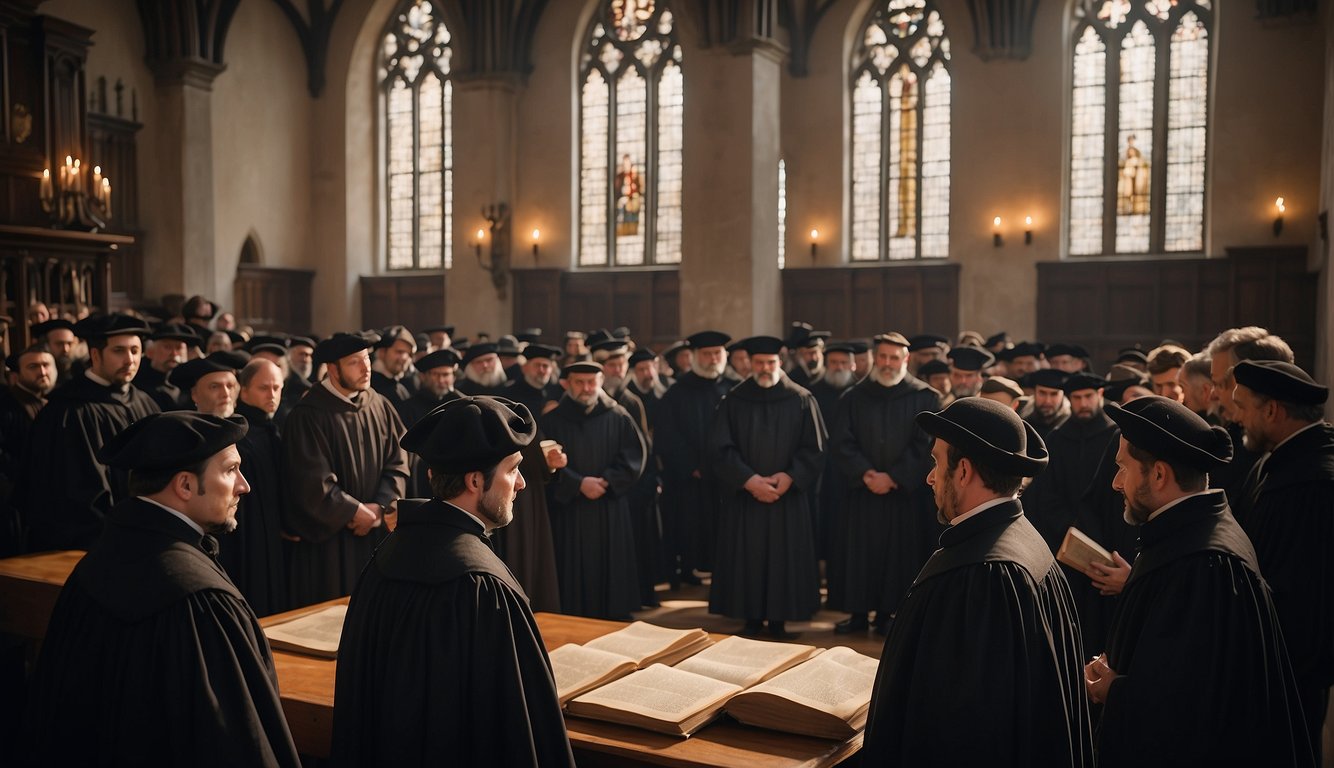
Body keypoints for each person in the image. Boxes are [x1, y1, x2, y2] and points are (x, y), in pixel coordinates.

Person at [27, 412, 301, 766]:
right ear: (185, 485)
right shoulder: (199, 601)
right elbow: (234, 742)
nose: (243, 485)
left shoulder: (94, 566)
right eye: (231, 470)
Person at [332, 397, 575, 767]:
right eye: (513, 470)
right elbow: (517, 728)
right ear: (475, 480)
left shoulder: (387, 554)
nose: (522, 484)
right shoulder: (482, 586)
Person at [862, 398, 1093, 766]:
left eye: (937, 462)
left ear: (964, 471)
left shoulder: (983, 577)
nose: (930, 476)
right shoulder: (1022, 538)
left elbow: (961, 730)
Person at [1087, 396, 1313, 767]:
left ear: (1158, 474)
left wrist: (1115, 690)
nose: (1115, 483)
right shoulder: (1186, 534)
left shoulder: (1204, 564)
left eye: (1123, 468)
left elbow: (1191, 710)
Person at [1229, 360, 1334, 757]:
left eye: (1242, 407)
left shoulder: (1312, 483)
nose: (1235, 418)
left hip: (1289, 671)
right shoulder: (1278, 461)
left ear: (1271, 410)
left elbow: (1302, 596)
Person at [709, 336, 826, 639]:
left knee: (784, 557)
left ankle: (779, 620)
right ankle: (749, 618)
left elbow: (814, 448)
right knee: (747, 556)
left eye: (770, 363)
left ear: (780, 362)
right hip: (746, 497)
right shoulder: (733, 400)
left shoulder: (801, 398)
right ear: (749, 363)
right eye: (759, 363)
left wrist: (790, 477)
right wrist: (748, 480)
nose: (764, 369)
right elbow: (721, 448)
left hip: (786, 497)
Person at [283, 332, 409, 605]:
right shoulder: (308, 415)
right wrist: (354, 511)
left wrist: (381, 505)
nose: (366, 368)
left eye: (367, 359)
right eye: (354, 362)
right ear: (332, 369)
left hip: (375, 534)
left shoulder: (380, 405)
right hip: (330, 543)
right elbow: (311, 480)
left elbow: (398, 461)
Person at [826, 332, 938, 634]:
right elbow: (841, 442)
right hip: (862, 493)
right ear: (876, 358)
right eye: (883, 357)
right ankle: (858, 614)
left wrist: (895, 477)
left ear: (905, 360)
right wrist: (866, 474)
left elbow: (925, 446)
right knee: (860, 554)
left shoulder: (926, 397)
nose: (888, 363)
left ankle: (890, 616)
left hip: (903, 497)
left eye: (894, 357)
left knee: (899, 557)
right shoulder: (852, 397)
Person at [24, 314, 160, 551]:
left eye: (135, 350)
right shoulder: (68, 411)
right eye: (119, 350)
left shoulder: (146, 402)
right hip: (94, 544)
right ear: (95, 355)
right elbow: (75, 494)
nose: (130, 359)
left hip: (147, 535)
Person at [540, 360, 646, 619]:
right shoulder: (551, 420)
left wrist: (606, 482)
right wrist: (578, 483)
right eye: (580, 382)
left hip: (609, 504)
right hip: (570, 508)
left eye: (592, 382)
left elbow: (634, 457)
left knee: (613, 568)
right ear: (567, 384)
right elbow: (543, 463)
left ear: (600, 382)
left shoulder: (619, 416)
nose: (586, 388)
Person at [655, 330, 733, 586]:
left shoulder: (734, 389)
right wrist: (692, 466)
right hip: (689, 478)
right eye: (707, 354)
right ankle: (688, 569)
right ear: (696, 356)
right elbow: (668, 435)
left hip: (726, 476)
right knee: (689, 526)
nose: (712, 359)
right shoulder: (677, 393)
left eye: (717, 353)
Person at [217, 359, 289, 616]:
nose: (272, 395)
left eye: (277, 388)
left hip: (272, 532)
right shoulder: (236, 435)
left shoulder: (275, 429)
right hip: (244, 537)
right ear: (243, 390)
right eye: (264, 388)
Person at [0, 347, 55, 554]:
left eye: (46, 365)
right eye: (33, 367)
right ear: (16, 375)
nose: (42, 371)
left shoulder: (53, 403)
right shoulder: (5, 405)